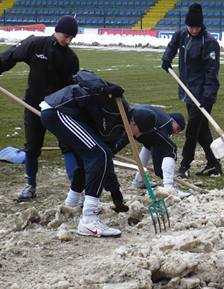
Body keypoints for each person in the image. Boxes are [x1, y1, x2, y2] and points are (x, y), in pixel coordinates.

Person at [0, 15, 80, 201]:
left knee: (68, 146)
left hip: (58, 109)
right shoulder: (35, 44)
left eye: (71, 38)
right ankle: (30, 185)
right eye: (66, 36)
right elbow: (10, 55)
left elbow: (73, 88)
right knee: (32, 146)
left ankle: (75, 190)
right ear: (57, 30)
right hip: (33, 104)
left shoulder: (70, 59)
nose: (67, 41)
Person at [40, 70, 129, 237]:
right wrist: (106, 89)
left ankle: (70, 206)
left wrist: (116, 193)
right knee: (98, 154)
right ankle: (88, 219)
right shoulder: (116, 106)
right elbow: (83, 74)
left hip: (62, 114)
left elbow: (106, 161)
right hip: (58, 110)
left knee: (91, 158)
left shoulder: (113, 128)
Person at [161, 2, 222, 178]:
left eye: (196, 27)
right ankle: (214, 164)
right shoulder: (182, 34)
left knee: (192, 130)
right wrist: (167, 59)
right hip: (188, 91)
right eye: (190, 26)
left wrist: (207, 96)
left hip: (203, 95)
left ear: (201, 25)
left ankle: (184, 166)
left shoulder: (209, 43)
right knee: (202, 132)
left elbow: (212, 72)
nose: (193, 30)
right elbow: (172, 46)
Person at [113, 104, 191, 199]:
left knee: (149, 144)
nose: (176, 132)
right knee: (171, 149)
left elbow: (151, 144)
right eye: (178, 128)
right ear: (173, 120)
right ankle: (169, 188)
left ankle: (139, 180)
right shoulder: (165, 123)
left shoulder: (159, 116)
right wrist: (159, 170)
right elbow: (159, 150)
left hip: (131, 118)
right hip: (141, 122)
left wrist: (113, 150)